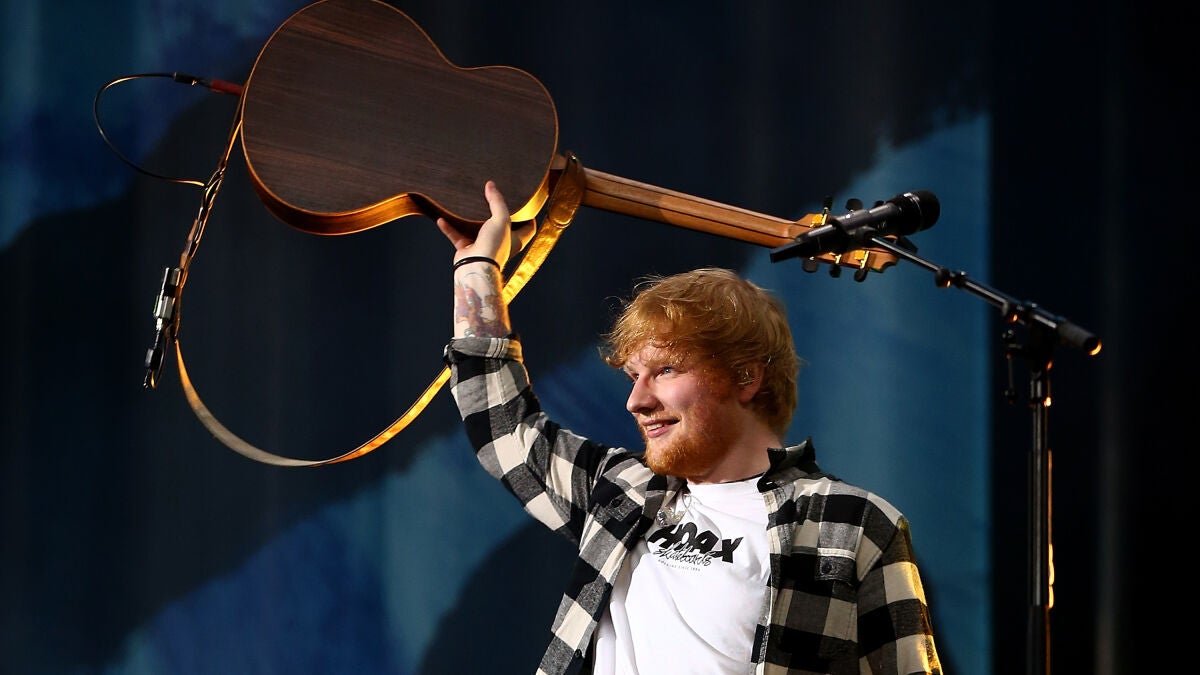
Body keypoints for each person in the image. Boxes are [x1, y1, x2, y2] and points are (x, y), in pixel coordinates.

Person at [437, 181, 942, 674]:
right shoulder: (622, 490)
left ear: (745, 377)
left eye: (666, 370)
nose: (636, 401)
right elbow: (504, 428)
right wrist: (476, 269)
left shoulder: (852, 523)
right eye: (633, 377)